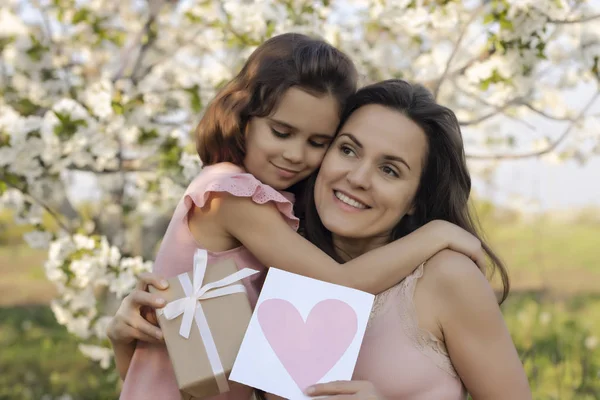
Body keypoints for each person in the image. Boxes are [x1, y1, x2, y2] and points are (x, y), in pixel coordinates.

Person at [108, 34, 488, 400]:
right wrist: (437, 233)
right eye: (281, 132)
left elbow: (198, 369)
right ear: (243, 118)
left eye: (317, 143)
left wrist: (123, 344)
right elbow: (339, 283)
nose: (294, 154)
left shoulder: (284, 218)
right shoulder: (230, 195)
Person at [290, 80, 531, 399]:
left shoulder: (447, 278)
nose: (358, 178)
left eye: (389, 170)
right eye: (348, 150)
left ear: (417, 198)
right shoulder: (277, 255)